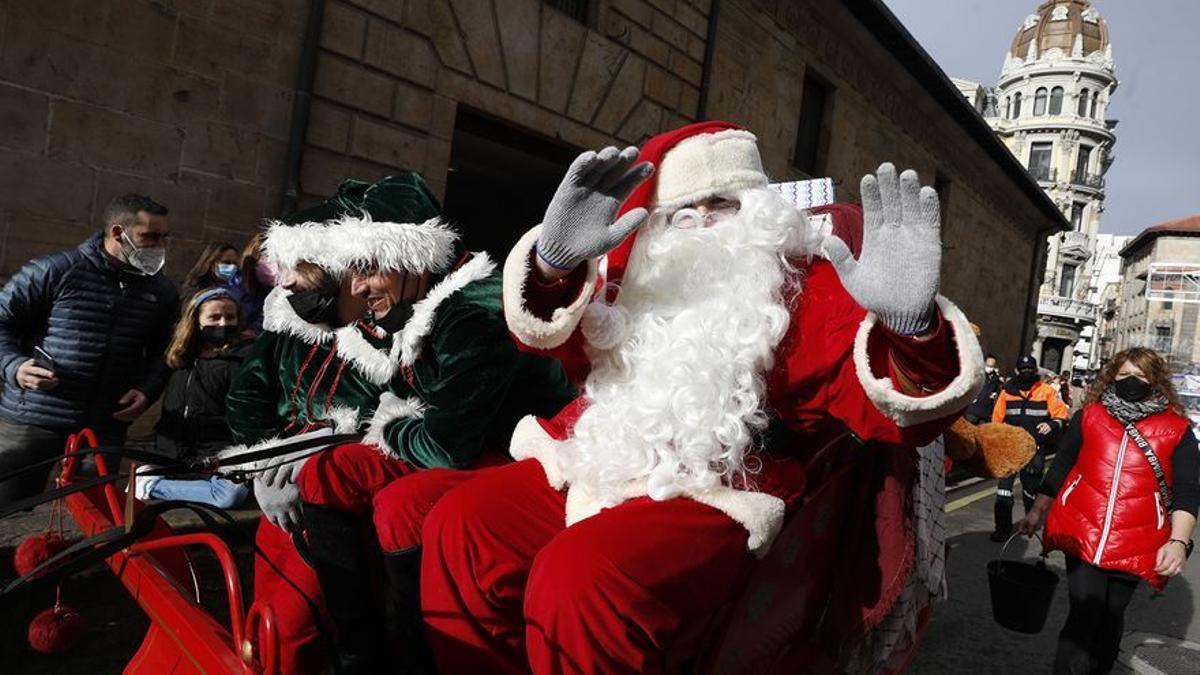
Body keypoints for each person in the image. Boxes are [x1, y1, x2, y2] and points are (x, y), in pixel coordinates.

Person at [419, 121, 984, 672]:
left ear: (760, 211)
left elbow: (896, 409)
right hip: (601, 457)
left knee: (581, 579)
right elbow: (553, 339)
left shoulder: (799, 290)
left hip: (720, 485)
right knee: (462, 525)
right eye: (683, 213)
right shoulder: (640, 282)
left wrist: (912, 330)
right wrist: (551, 266)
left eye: (723, 205)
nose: (704, 222)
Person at [224, 173, 574, 674]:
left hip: (518, 453)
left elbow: (447, 444)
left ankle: (407, 655)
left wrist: (384, 425)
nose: (357, 287)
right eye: (352, 271)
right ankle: (359, 653)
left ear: (412, 256)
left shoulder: (473, 311)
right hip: (453, 445)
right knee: (329, 473)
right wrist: (271, 457)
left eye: (368, 268)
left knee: (398, 505)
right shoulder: (402, 309)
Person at [1020, 347, 1199, 674]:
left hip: (1137, 538)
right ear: (1112, 377)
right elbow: (1062, 465)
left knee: (1111, 614)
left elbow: (1187, 490)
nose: (1132, 381)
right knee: (1084, 611)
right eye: (1124, 374)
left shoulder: (1177, 429)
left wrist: (1178, 541)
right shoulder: (1090, 416)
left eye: (1140, 376)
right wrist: (1037, 511)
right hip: (1082, 528)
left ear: (1155, 380)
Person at [0, 193, 178, 505]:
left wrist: (146, 390)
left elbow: (167, 349)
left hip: (105, 423)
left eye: (164, 237)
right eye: (150, 236)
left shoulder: (162, 290)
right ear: (118, 233)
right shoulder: (54, 270)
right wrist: (14, 367)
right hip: (34, 417)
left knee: (94, 513)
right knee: (9, 507)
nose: (159, 246)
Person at [135, 287, 253, 508]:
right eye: (214, 317)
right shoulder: (180, 357)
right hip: (174, 454)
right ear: (196, 320)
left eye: (230, 317)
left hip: (219, 455)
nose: (223, 323)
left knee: (230, 496)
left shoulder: (244, 359)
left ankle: (152, 486)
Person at [990, 355, 1069, 541]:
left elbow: (1061, 414)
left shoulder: (1046, 391)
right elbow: (996, 420)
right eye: (1023, 369)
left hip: (1035, 449)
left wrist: (1052, 424)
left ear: (1035, 370)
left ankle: (1030, 522)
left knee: (1031, 489)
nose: (1026, 372)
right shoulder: (1006, 392)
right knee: (1003, 491)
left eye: (1030, 369)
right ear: (1017, 371)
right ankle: (1002, 529)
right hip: (1010, 450)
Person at [965, 353, 1003, 424]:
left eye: (992, 366)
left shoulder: (996, 380)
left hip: (985, 414)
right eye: (988, 365)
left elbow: (997, 395)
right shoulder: (977, 375)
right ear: (984, 364)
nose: (989, 368)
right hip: (972, 410)